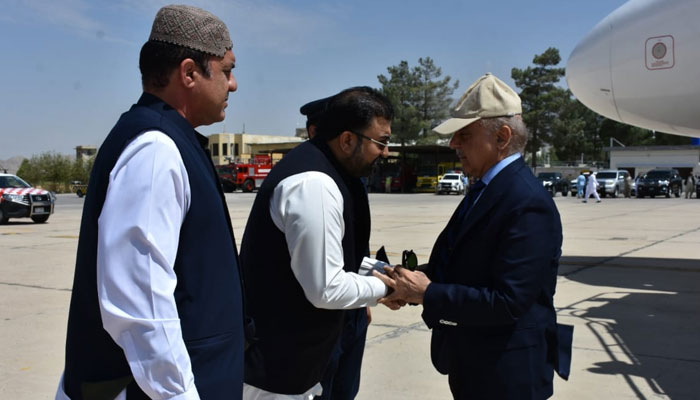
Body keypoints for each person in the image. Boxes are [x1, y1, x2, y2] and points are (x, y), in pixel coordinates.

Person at [56, 5, 245, 400]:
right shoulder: (156, 148)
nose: (233, 85)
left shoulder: (169, 139)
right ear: (190, 73)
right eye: (226, 70)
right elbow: (139, 303)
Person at [373, 73, 572, 399]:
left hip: (507, 375)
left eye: (464, 135)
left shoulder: (526, 202)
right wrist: (411, 284)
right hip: (476, 364)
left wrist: (429, 293)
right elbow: (464, 264)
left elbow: (509, 302)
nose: (453, 145)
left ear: (502, 137)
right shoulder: (487, 188)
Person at [240, 87, 394, 399]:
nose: (386, 152)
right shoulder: (314, 184)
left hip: (296, 365)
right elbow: (326, 288)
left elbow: (338, 257)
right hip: (277, 375)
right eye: (381, 142)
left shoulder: (331, 173)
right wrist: (389, 289)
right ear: (348, 140)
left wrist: (384, 272)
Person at [299, 96, 372, 400]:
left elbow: (355, 244)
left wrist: (365, 296)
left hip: (352, 306)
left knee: (345, 389)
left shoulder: (354, 179)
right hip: (321, 315)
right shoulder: (311, 183)